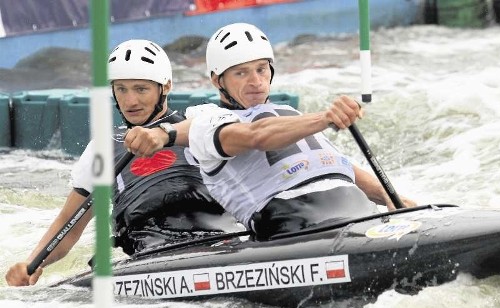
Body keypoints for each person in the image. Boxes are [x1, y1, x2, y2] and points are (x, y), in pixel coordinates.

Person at [124, 23, 416, 240]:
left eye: (262, 69)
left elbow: (340, 167)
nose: (256, 81)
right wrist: (326, 117)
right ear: (217, 80)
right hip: (292, 224)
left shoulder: (292, 116)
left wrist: (397, 202)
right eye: (241, 72)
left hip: (358, 212)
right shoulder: (207, 120)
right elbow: (257, 136)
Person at [5, 39, 232, 287]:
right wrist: (34, 264)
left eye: (140, 89)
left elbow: (242, 131)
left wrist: (165, 134)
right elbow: (68, 224)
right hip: (150, 254)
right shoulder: (102, 148)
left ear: (166, 86)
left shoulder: (201, 120)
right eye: (121, 89)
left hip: (221, 241)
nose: (130, 101)